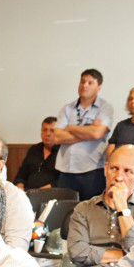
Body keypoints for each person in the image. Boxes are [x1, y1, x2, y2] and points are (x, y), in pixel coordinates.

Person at [52, 69, 114, 201]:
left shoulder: (105, 108)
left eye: (90, 83)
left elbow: (97, 133)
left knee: (92, 211)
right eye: (82, 81)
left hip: (92, 170)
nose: (84, 85)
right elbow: (57, 137)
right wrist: (88, 131)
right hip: (66, 170)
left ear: (99, 87)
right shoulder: (67, 108)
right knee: (66, 209)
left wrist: (70, 127)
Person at [14, 116, 60, 191]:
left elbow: (62, 181)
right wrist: (20, 187)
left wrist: (39, 191)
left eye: (52, 131)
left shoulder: (62, 152)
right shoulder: (33, 150)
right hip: (28, 191)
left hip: (51, 193)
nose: (47, 134)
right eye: (45, 130)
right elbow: (22, 174)